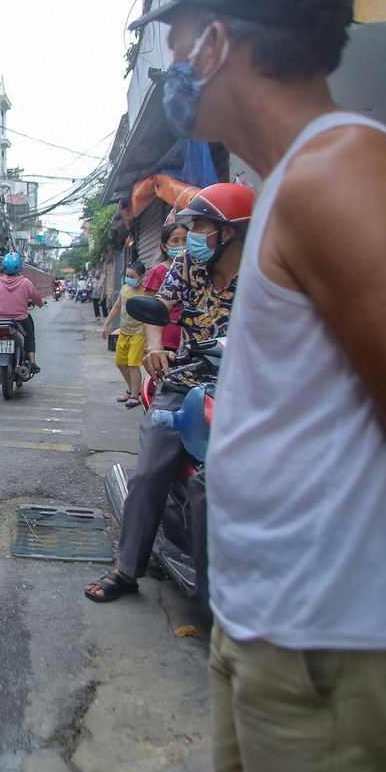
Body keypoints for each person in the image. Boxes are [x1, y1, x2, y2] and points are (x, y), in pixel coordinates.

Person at [129, 0, 386, 772]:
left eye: (177, 42)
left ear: (220, 39)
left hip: (323, 630)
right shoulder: (301, 176)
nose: (171, 64)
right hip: (276, 619)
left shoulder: (336, 173)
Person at [87, 184, 251, 604]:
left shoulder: (264, 276)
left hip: (251, 391)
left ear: (227, 233)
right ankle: (127, 570)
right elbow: (159, 306)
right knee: (150, 471)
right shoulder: (186, 267)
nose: (190, 235)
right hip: (189, 381)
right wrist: (157, 347)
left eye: (198, 227)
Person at [0, 252, 45, 375]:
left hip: (0, 320)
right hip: (21, 319)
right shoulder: (26, 283)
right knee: (30, 336)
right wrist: (41, 303)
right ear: (19, 267)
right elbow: (37, 298)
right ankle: (32, 362)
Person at [100, 260, 146, 409]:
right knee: (120, 362)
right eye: (127, 275)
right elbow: (117, 307)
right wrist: (106, 324)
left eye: (132, 276)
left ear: (141, 277)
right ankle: (131, 389)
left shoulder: (145, 293)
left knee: (133, 364)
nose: (129, 278)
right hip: (124, 332)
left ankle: (134, 396)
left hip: (139, 334)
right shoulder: (124, 289)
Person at [145, 222, 188, 354]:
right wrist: (151, 343)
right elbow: (149, 310)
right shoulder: (158, 272)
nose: (181, 245)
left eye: (185, 240)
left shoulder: (198, 271)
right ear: (164, 246)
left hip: (190, 339)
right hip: (167, 340)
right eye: (175, 241)